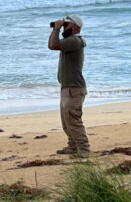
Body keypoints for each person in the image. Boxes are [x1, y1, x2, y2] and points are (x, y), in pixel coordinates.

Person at [48, 15, 90, 157]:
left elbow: (53, 45)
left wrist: (56, 29)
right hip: (68, 87)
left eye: (67, 24)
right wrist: (57, 29)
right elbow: (52, 45)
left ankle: (83, 149)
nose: (64, 27)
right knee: (67, 122)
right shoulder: (70, 41)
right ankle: (72, 146)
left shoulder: (74, 41)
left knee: (73, 120)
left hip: (74, 89)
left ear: (75, 26)